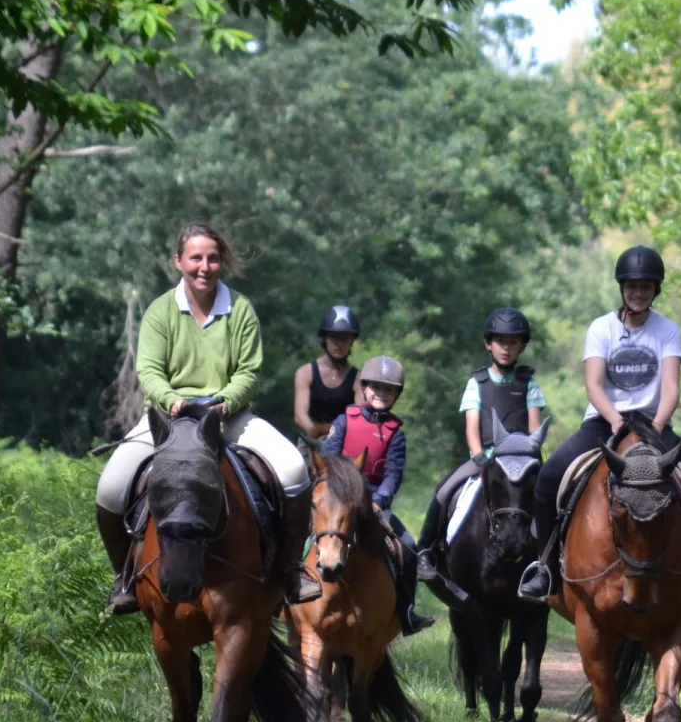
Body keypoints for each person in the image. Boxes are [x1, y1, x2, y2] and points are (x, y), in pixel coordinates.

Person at [95, 222, 320, 614]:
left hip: (226, 417)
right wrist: (171, 401)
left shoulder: (241, 309)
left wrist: (224, 405)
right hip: (169, 421)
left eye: (213, 258)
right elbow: (149, 371)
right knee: (110, 489)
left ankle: (290, 570)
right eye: (195, 258)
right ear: (178, 261)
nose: (204, 266)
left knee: (293, 470)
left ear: (223, 262)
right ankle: (126, 577)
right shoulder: (160, 311)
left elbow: (248, 372)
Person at [515, 246, 681, 607]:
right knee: (550, 476)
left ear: (655, 290)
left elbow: (672, 388)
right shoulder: (602, 328)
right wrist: (614, 420)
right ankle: (545, 566)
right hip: (603, 422)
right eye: (632, 286)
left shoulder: (667, 330)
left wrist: (658, 425)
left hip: (652, 424)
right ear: (622, 287)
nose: (638, 292)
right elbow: (594, 385)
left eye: (646, 286)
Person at [414, 307, 547, 582]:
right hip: (486, 458)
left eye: (513, 342)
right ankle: (426, 549)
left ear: (521, 346)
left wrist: (532, 460)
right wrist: (478, 457)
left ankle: (552, 559)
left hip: (521, 462)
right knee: (445, 489)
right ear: (488, 344)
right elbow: (472, 427)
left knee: (549, 497)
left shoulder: (529, 385)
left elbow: (534, 430)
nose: (506, 348)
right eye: (500, 342)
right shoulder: (477, 383)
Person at [320, 356, 435, 636]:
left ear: (396, 395)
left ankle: (406, 612)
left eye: (389, 390)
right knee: (302, 531)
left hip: (372, 501)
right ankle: (289, 595)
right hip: (337, 496)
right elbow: (329, 458)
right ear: (364, 388)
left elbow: (393, 475)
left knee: (407, 547)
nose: (381, 394)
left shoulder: (396, 433)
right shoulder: (345, 419)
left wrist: (379, 501)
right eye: (376, 388)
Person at [293, 305, 361, 440]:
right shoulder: (305, 373)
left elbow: (359, 418)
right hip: (312, 439)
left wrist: (335, 437)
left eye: (345, 338)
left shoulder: (358, 379)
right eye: (334, 338)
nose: (339, 344)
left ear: (352, 341)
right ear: (325, 339)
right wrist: (316, 434)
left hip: (344, 440)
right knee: (295, 462)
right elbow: (300, 416)